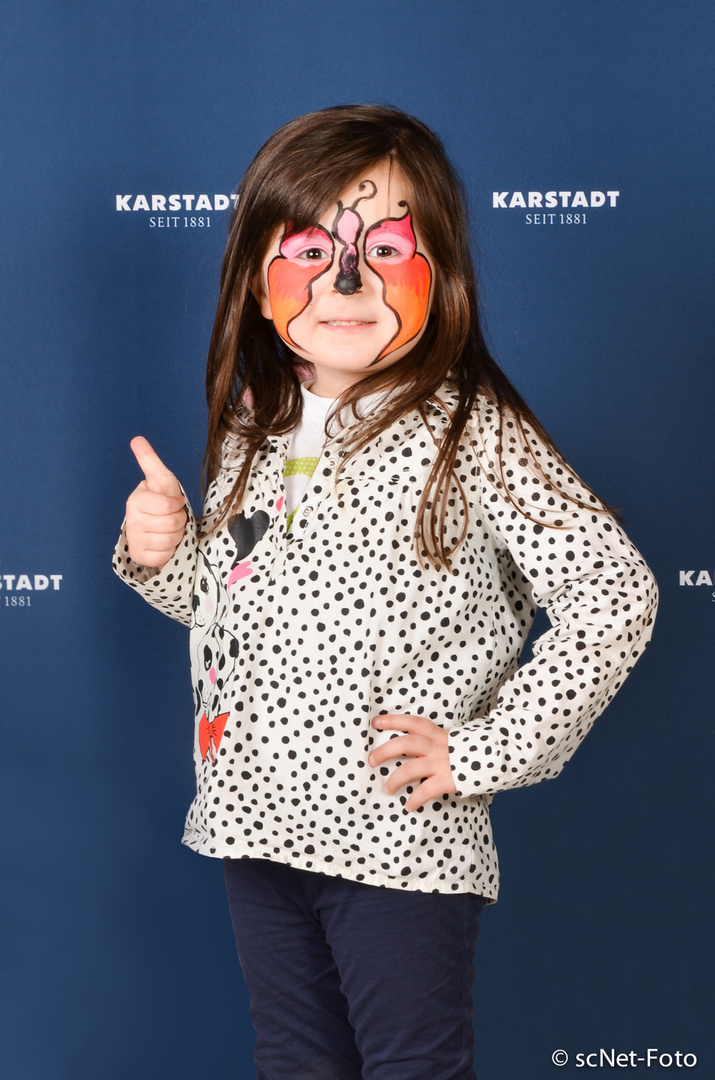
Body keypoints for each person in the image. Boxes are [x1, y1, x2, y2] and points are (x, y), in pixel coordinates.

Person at [114, 105, 657, 1080]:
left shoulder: (472, 431)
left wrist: (490, 750)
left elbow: (613, 592)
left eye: (389, 246)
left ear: (442, 271)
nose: (347, 280)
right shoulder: (256, 423)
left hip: (394, 841)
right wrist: (163, 550)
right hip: (258, 821)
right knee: (296, 1060)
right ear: (254, 276)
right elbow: (230, 606)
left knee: (412, 1065)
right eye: (312, 247)